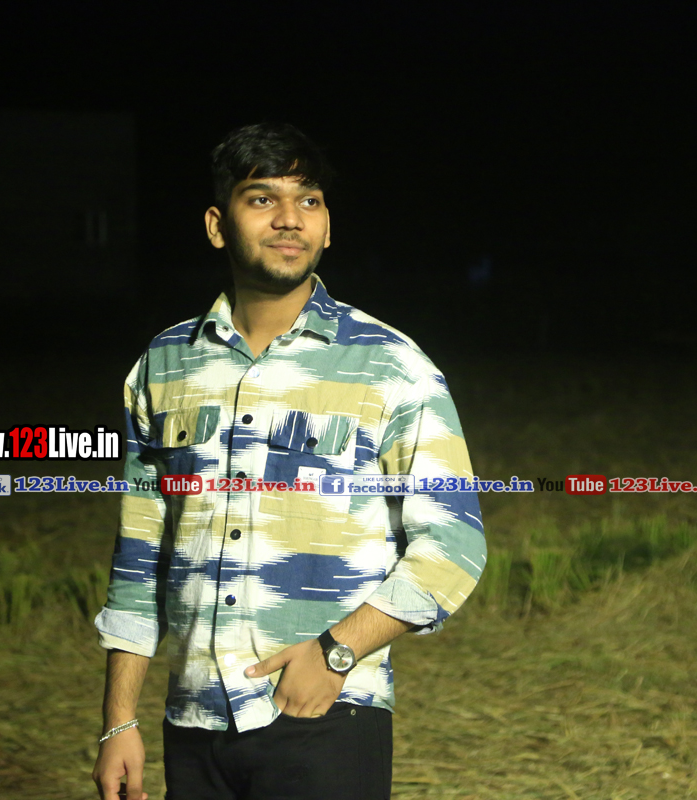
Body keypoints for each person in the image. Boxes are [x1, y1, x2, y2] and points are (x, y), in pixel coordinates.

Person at [90, 122, 487, 800]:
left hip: (328, 718)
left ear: (328, 227)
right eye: (261, 199)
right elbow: (137, 559)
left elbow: (454, 546)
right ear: (217, 225)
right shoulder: (164, 364)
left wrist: (335, 653)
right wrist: (117, 720)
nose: (289, 219)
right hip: (194, 723)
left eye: (309, 200)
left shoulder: (391, 365)